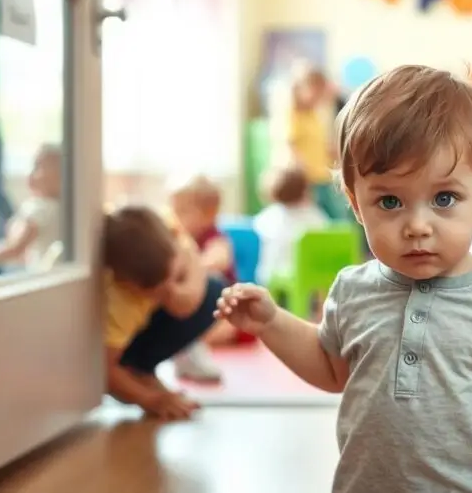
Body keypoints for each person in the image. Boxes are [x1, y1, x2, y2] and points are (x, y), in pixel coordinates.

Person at [216, 65, 472, 492]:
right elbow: (333, 369)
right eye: (389, 201)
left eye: (444, 198)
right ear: (356, 205)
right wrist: (270, 322)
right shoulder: (353, 291)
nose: (417, 225)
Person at [102, 205, 226, 418]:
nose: (168, 289)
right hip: (117, 349)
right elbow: (104, 369)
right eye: (156, 291)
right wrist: (150, 400)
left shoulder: (164, 229)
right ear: (127, 284)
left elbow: (188, 251)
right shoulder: (121, 304)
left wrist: (183, 292)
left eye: (172, 275)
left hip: (146, 320)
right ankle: (134, 369)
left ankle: (143, 369)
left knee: (215, 289)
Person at [286, 63, 347, 220]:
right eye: (316, 92)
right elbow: (292, 148)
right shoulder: (294, 116)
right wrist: (302, 182)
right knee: (321, 218)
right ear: (301, 89)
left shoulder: (313, 115)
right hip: (309, 180)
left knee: (336, 216)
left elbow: (318, 144)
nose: (319, 98)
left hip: (323, 176)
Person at [252, 165, 329, 285]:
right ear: (305, 189)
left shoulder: (269, 216)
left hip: (271, 276)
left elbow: (255, 230)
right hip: (309, 276)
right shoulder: (315, 215)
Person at [0, 143, 64, 270]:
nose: (30, 173)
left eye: (37, 167)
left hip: (36, 277)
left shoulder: (39, 209)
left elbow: (15, 249)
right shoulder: (64, 209)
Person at [169, 174, 237, 285]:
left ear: (209, 215)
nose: (175, 217)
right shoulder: (182, 238)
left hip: (220, 298)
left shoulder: (216, 240)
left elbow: (218, 261)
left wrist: (187, 270)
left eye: (182, 211)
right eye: (174, 211)